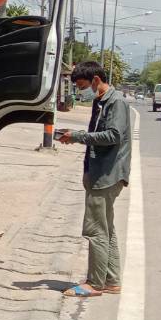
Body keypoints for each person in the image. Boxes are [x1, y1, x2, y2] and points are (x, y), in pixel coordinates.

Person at [57, 59, 132, 296]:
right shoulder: (102, 101)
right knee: (106, 228)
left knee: (96, 230)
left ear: (96, 80)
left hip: (107, 174)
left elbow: (113, 135)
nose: (82, 92)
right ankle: (111, 280)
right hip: (101, 172)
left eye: (83, 86)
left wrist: (78, 136)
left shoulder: (115, 102)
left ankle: (95, 283)